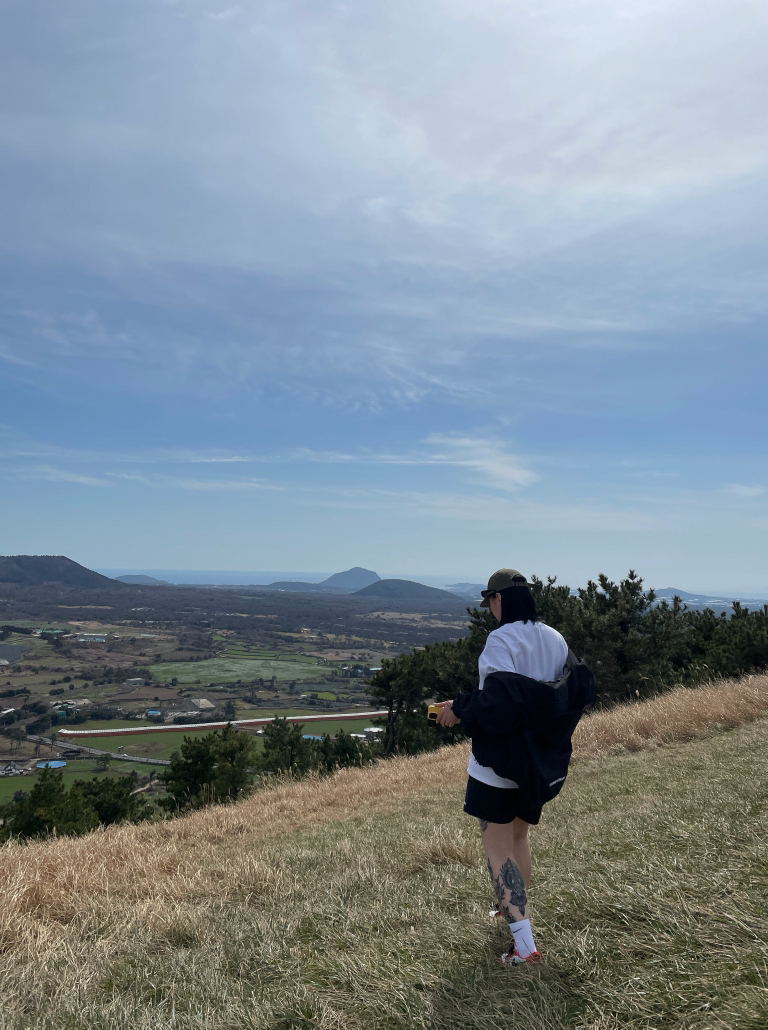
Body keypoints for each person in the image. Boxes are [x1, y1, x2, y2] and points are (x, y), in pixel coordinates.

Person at [435, 568, 594, 967]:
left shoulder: (500, 640)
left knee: (498, 848)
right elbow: (568, 692)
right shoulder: (555, 638)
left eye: (490, 600)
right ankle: (513, 912)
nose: (489, 608)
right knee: (519, 838)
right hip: (537, 763)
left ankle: (524, 947)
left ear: (500, 600)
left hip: (497, 766)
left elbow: (497, 707)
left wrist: (459, 708)